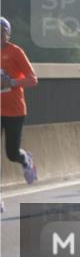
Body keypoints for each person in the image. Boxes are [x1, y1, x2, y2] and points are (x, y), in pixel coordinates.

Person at [1, 17, 39, 185]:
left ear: (8, 35)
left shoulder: (15, 52)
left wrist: (13, 82)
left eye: (2, 33)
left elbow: (33, 79)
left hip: (14, 110)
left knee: (12, 153)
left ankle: (26, 160)